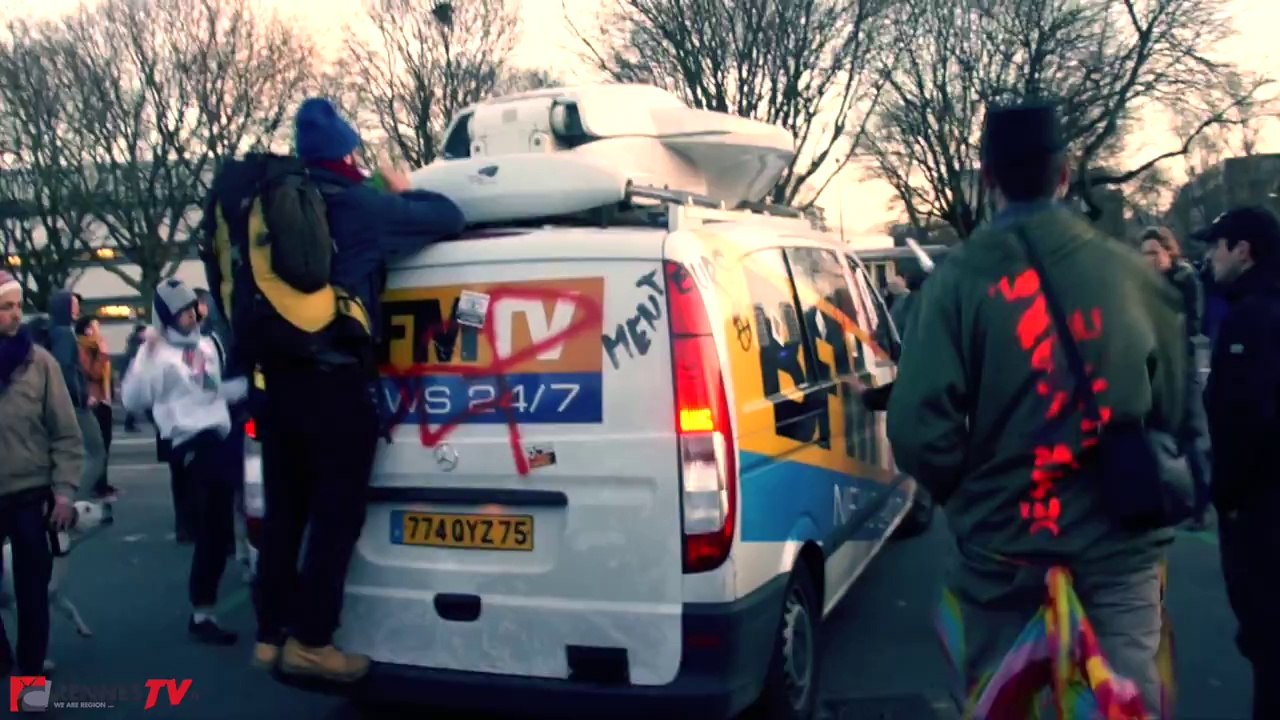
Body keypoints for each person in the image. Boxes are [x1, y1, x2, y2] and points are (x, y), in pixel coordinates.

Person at [886, 102, 1186, 715]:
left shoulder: (954, 282)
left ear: (987, 178)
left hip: (1003, 551)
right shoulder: (1131, 275)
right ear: (1065, 174)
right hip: (1117, 549)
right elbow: (1176, 410)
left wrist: (967, 494)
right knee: (1123, 702)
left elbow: (918, 429)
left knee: (1007, 701)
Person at [250, 98, 464, 681]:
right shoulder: (361, 206)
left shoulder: (274, 214)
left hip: (278, 384)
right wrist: (403, 188)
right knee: (337, 515)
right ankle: (312, 643)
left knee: (286, 511)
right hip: (336, 384)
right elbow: (447, 216)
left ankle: (270, 635)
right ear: (348, 152)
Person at [122, 278, 247, 645]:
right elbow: (132, 399)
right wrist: (146, 354)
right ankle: (202, 612)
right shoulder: (157, 354)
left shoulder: (207, 345)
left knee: (225, 525)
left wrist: (240, 390)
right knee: (212, 528)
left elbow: (209, 390)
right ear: (166, 316)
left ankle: (209, 605)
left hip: (220, 436)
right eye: (181, 312)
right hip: (190, 442)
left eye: (192, 308)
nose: (190, 316)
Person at [1201, 206, 1280, 720]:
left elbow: (1245, 420)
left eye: (1217, 246)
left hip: (1261, 511)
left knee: (1268, 641)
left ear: (1243, 251)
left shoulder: (1251, 321)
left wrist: (1226, 497)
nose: (1210, 257)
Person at [0, 270, 81, 676]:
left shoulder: (40, 363)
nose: (16, 314)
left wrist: (64, 492)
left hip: (31, 494)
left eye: (18, 306)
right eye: (6, 307)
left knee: (33, 599)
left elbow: (66, 433)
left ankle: (30, 692)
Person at [1138, 226, 1212, 526]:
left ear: (1169, 252)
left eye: (1155, 252)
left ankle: (1202, 505)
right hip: (1158, 366)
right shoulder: (1145, 283)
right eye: (1145, 254)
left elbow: (1191, 323)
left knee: (1192, 434)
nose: (1149, 259)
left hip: (1183, 365)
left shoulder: (1184, 279)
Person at [47, 291, 108, 502]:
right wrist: (81, 395)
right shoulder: (65, 334)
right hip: (75, 404)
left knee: (68, 453)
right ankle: (73, 501)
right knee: (96, 453)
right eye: (72, 305)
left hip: (63, 402)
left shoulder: (54, 331)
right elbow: (66, 368)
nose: (76, 309)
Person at [75, 316, 119, 501]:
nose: (99, 330)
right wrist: (102, 354)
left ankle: (103, 483)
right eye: (95, 326)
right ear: (87, 330)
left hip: (103, 400)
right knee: (98, 445)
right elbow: (92, 373)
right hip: (94, 400)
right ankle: (95, 485)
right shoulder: (82, 347)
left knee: (106, 443)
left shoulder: (95, 347)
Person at [121, 323, 147, 432]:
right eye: (144, 332)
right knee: (138, 401)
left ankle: (129, 423)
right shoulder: (136, 346)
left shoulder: (134, 344)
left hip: (135, 376)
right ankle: (129, 423)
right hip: (135, 377)